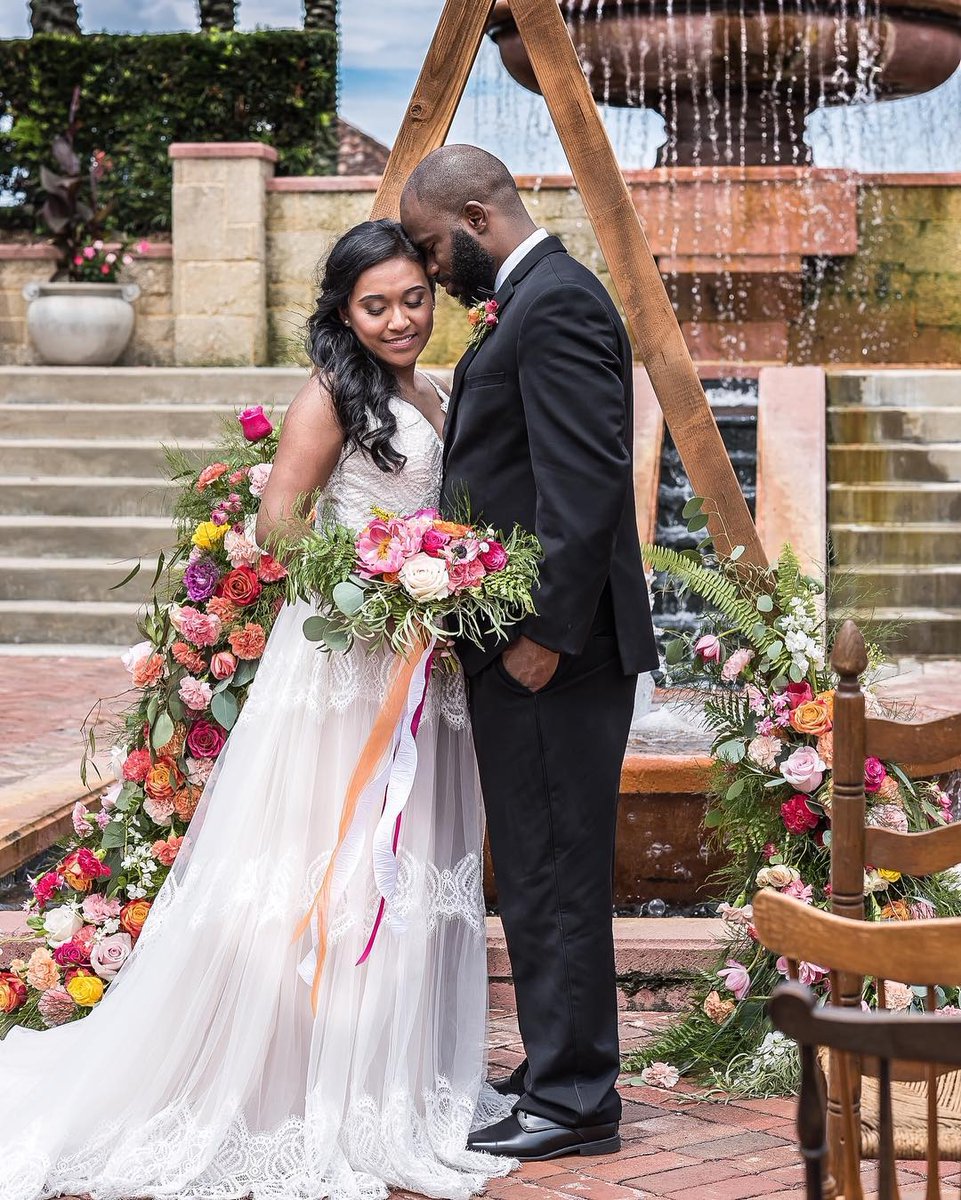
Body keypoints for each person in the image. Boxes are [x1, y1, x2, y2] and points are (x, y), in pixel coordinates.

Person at [0, 219, 515, 1200]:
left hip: (427, 669)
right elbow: (279, 520)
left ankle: (390, 1074)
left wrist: (448, 578)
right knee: (328, 856)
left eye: (414, 299)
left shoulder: (438, 391)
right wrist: (376, 580)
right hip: (347, 662)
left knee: (406, 868)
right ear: (342, 310)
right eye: (377, 305)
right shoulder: (330, 395)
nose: (401, 319)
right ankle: (292, 1079)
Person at [401, 146, 659, 1162]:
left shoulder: (555, 303)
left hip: (558, 652)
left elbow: (588, 483)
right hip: (525, 647)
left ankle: (575, 1100)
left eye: (433, 246)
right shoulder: (535, 295)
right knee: (541, 863)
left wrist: (546, 635)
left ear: (475, 213)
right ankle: (557, 1064)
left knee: (556, 867)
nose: (432, 268)